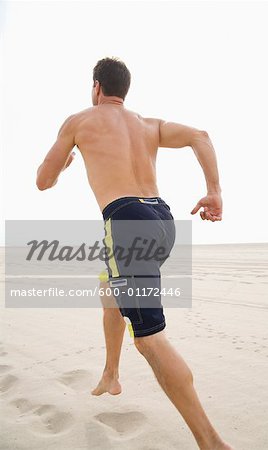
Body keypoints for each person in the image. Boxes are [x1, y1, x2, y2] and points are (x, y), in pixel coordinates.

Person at [36, 57, 233, 450]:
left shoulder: (79, 121)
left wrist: (66, 163)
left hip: (125, 219)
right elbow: (201, 135)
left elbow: (43, 181)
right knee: (111, 289)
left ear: (96, 88)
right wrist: (215, 191)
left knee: (149, 338)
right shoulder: (148, 125)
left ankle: (211, 442)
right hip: (162, 219)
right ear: (124, 91)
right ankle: (111, 374)